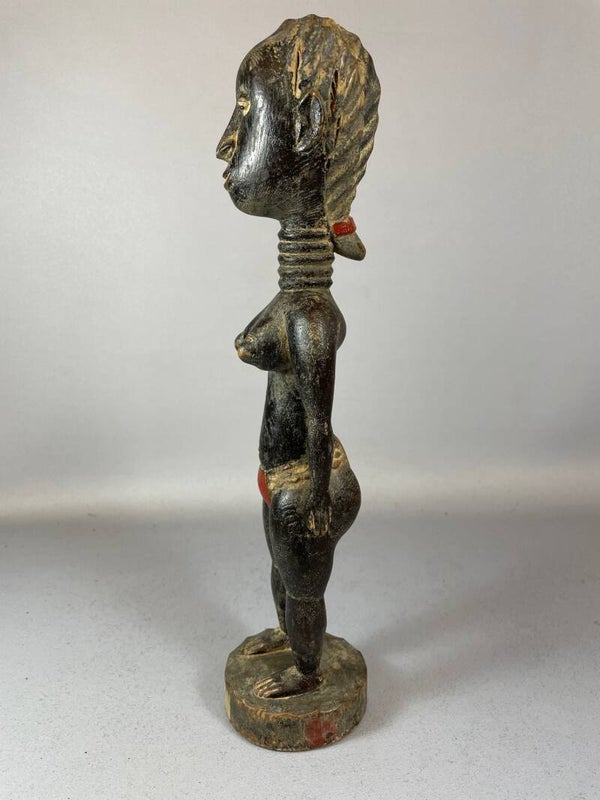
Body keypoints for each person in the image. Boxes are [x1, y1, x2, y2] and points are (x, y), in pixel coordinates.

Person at [216, 15, 380, 698]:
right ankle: (290, 639)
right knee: (282, 572)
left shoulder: (310, 317)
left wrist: (313, 496)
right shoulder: (298, 303)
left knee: (302, 581)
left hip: (307, 482)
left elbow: (319, 415)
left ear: (308, 129)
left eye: (246, 110)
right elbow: (256, 342)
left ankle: (307, 673)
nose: (225, 142)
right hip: (283, 474)